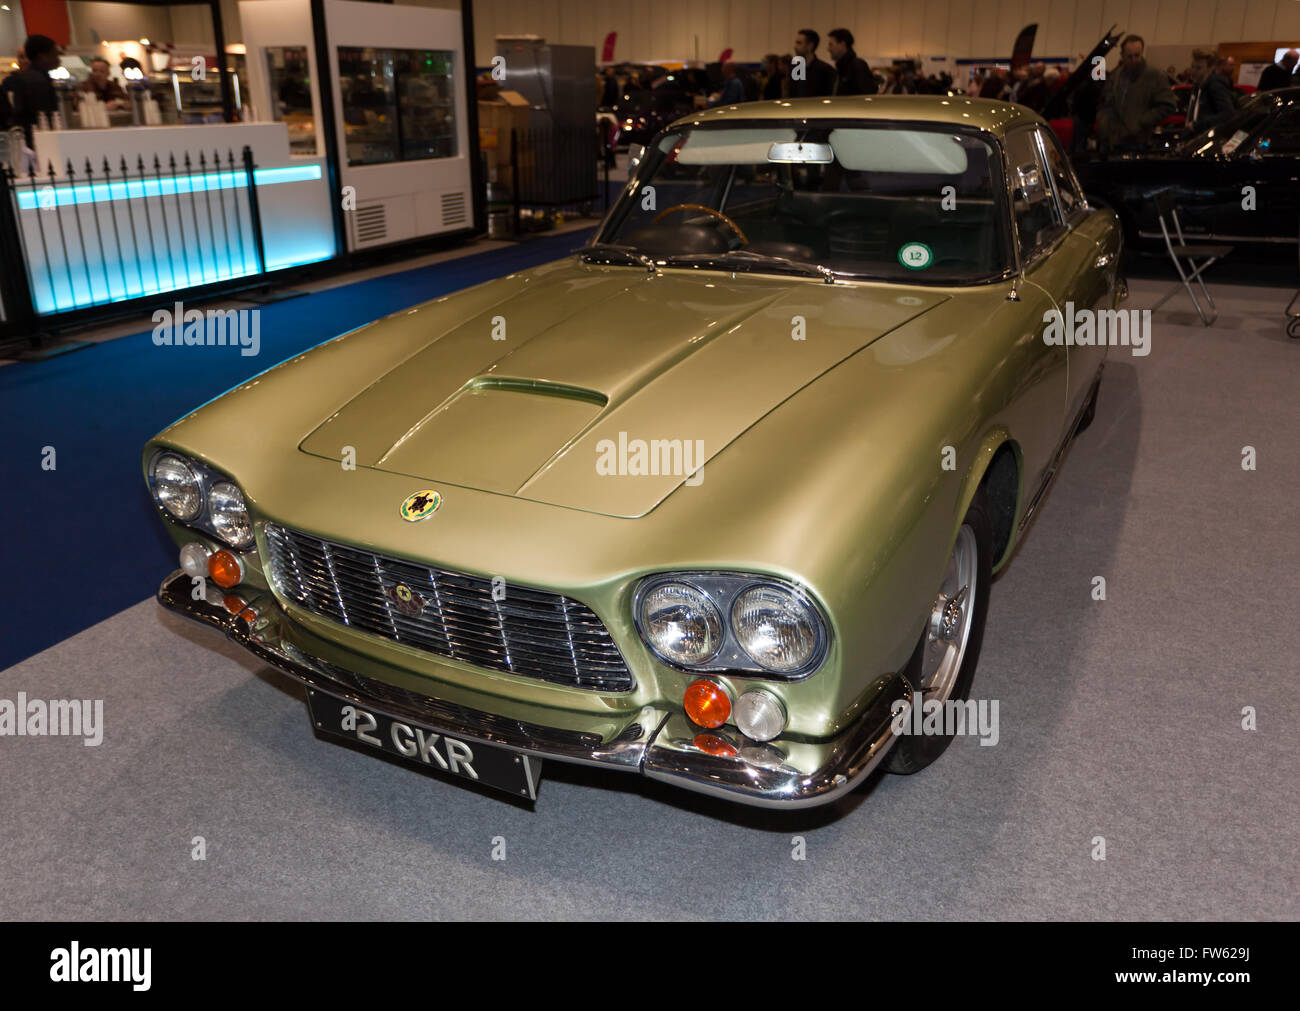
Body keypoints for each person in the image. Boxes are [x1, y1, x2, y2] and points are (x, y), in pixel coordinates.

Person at [1095, 34, 1176, 153]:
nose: (1134, 60)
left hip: (1137, 143)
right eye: (1129, 56)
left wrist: (1141, 121)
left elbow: (1168, 105)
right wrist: (1103, 125)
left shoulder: (1155, 76)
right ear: (1122, 56)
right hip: (1111, 142)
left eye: (1137, 56)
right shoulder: (1115, 75)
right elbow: (1105, 103)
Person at [5, 35, 60, 145]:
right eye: (54, 54)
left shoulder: (29, 78)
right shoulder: (38, 81)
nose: (58, 59)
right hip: (40, 140)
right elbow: (42, 115)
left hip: (29, 138)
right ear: (42, 57)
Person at [1186, 49, 1234, 132]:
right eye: (1192, 66)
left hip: (1205, 137)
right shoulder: (1198, 85)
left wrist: (1198, 125)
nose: (1193, 71)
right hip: (1195, 137)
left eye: (1198, 68)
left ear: (1210, 68)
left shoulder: (1215, 85)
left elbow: (1227, 114)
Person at [826, 28, 876, 95]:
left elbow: (865, 94)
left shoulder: (857, 66)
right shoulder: (841, 68)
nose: (828, 49)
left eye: (831, 45)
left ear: (842, 44)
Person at [788, 28, 835, 97]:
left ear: (810, 46)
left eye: (799, 43)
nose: (795, 47)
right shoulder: (795, 68)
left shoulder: (824, 70)